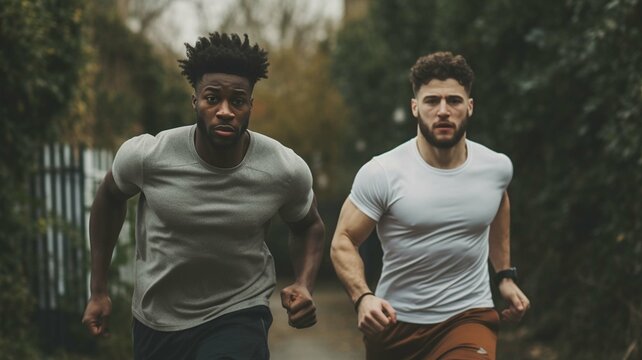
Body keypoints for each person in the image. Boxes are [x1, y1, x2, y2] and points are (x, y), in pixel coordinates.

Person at [81, 32, 325, 359]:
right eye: (212, 98)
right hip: (157, 319)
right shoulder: (149, 156)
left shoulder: (282, 168)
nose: (225, 110)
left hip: (239, 311)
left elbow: (309, 225)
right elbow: (110, 197)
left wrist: (304, 283)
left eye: (237, 101)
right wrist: (98, 290)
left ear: (250, 105)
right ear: (195, 100)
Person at [330, 51, 530, 360]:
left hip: (469, 317)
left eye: (454, 100)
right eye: (431, 100)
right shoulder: (382, 173)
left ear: (470, 107)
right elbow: (343, 241)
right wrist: (363, 298)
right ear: (415, 107)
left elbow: (498, 205)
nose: (443, 111)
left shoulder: (496, 168)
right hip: (395, 323)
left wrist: (504, 275)